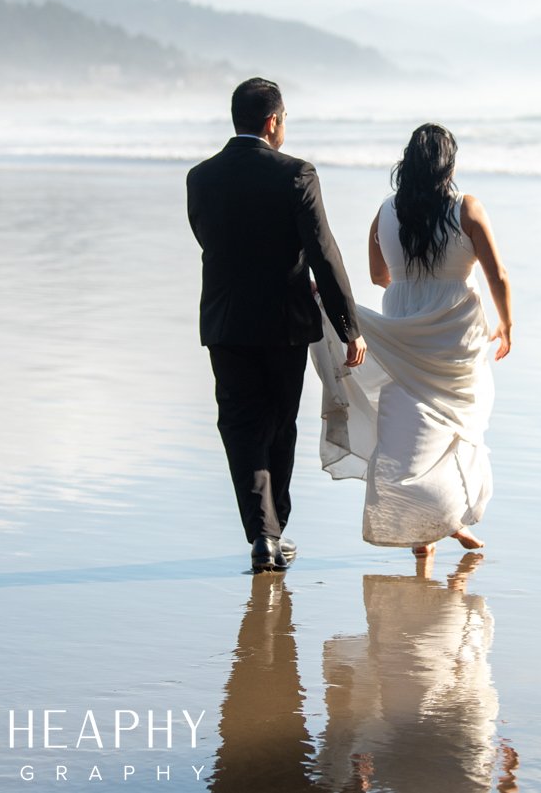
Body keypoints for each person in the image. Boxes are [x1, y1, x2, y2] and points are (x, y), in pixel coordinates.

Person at [187, 77, 367, 573]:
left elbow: (210, 241)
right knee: (279, 425)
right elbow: (323, 253)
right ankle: (274, 530)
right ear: (273, 123)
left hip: (225, 323)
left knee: (240, 426)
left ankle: (263, 536)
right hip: (284, 323)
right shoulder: (296, 174)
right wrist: (348, 325)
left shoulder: (200, 178)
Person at [311, 123, 512, 558]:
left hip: (402, 329)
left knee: (408, 432)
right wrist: (507, 325)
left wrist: (408, 282)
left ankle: (433, 527)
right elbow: (497, 274)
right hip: (456, 334)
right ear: (449, 165)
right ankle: (438, 524)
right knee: (458, 427)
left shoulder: (385, 211)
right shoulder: (467, 209)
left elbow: (377, 276)